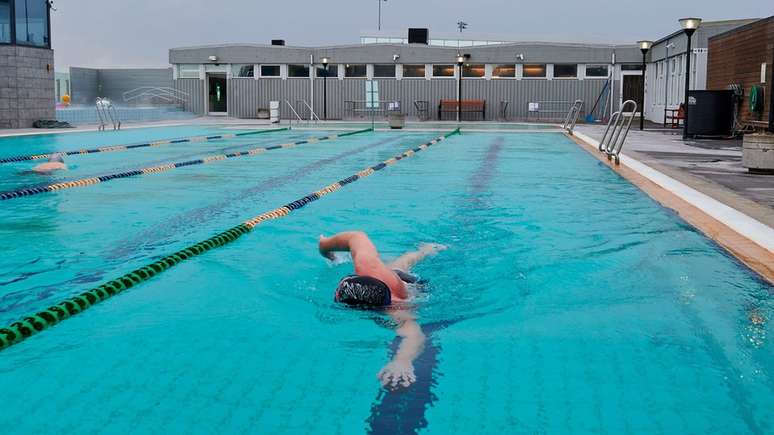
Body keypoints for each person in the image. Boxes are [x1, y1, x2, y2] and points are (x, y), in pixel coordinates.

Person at [318, 231, 446, 389]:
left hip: (411, 288)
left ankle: (426, 251)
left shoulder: (397, 310)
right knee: (398, 265)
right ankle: (425, 250)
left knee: (402, 269)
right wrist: (324, 246)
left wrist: (401, 361)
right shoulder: (365, 265)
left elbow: (414, 335)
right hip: (389, 277)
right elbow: (356, 236)